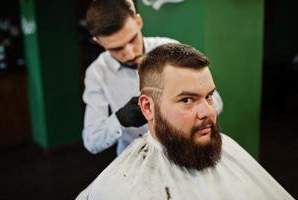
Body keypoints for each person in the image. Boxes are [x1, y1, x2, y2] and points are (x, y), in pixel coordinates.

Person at [76, 43, 294, 200]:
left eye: (209, 96)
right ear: (147, 107)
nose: (207, 112)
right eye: (187, 99)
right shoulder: (122, 189)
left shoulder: (228, 149)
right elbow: (92, 140)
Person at [82, 0, 224, 155]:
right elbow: (91, 142)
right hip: (135, 159)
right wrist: (119, 120)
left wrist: (180, 109)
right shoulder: (97, 74)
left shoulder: (169, 51)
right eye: (116, 49)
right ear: (98, 41)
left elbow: (216, 102)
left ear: (138, 22)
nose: (130, 54)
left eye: (132, 40)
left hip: (183, 152)